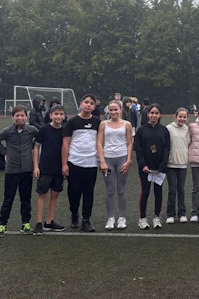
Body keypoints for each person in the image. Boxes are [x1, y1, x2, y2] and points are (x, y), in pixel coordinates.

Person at [0, 105, 39, 237]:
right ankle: (2, 225)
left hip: (26, 170)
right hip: (11, 170)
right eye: (17, 115)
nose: (20, 118)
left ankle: (26, 223)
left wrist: (32, 148)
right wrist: (5, 152)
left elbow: (39, 139)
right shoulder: (7, 131)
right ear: (12, 117)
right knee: (8, 198)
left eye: (22, 115)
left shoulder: (32, 130)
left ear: (26, 117)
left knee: (26, 198)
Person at [62, 94, 101, 232]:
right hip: (74, 162)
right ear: (81, 103)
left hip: (91, 163)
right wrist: (64, 164)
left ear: (94, 107)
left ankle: (86, 219)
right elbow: (65, 143)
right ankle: (74, 214)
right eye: (86, 102)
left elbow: (100, 142)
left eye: (91, 103)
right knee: (74, 192)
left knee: (88, 192)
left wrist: (101, 160)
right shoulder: (72, 121)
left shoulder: (97, 122)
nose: (88, 105)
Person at [96, 100, 133, 230]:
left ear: (120, 110)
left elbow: (130, 143)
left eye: (115, 109)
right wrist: (102, 161)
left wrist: (128, 160)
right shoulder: (103, 124)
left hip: (122, 158)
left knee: (121, 190)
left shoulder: (127, 124)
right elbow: (99, 142)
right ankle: (110, 218)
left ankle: (122, 217)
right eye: (111, 110)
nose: (113, 112)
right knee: (110, 190)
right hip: (108, 160)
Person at [32, 104, 67, 235]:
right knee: (42, 194)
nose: (58, 116)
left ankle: (49, 221)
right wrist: (36, 166)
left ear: (64, 116)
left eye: (61, 114)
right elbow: (36, 147)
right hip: (45, 168)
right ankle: (39, 222)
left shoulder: (65, 130)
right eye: (56, 114)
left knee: (55, 194)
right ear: (50, 115)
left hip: (58, 169)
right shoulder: (44, 129)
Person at [134, 103, 170, 229]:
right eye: (152, 113)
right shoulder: (141, 130)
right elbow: (138, 150)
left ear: (160, 115)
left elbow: (167, 149)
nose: (154, 115)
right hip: (145, 169)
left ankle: (157, 217)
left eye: (156, 113)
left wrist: (162, 166)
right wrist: (142, 165)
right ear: (148, 114)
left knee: (158, 192)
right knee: (145, 192)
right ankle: (142, 218)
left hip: (159, 168)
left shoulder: (164, 130)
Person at [166, 108, 191, 224]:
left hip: (182, 164)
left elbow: (188, 143)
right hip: (171, 163)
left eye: (184, 117)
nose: (182, 119)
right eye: (180, 116)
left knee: (181, 189)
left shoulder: (187, 129)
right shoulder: (169, 128)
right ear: (175, 117)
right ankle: (170, 214)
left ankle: (182, 213)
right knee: (172, 190)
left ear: (187, 118)